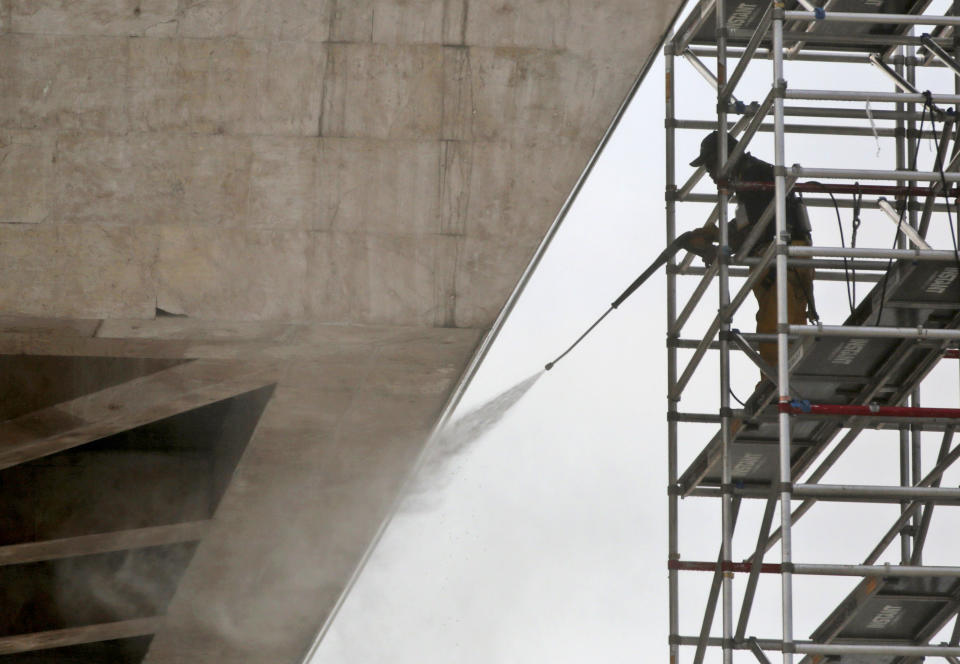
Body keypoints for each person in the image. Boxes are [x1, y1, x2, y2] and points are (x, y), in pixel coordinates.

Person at [680, 131, 819, 370]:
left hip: (783, 260)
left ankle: (779, 381)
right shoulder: (750, 178)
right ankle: (776, 378)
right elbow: (750, 224)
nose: (710, 174)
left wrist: (717, 244)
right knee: (773, 321)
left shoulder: (753, 176)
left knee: (776, 325)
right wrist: (714, 235)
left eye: (711, 165)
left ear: (726, 158)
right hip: (777, 261)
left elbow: (752, 231)